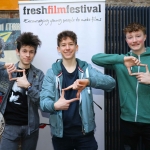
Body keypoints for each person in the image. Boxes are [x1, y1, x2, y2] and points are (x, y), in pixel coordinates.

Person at [40, 30, 116, 150]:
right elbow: (43, 102)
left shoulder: (86, 69)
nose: (67, 48)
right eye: (63, 45)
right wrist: (55, 105)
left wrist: (88, 81)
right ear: (58, 49)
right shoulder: (52, 73)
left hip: (85, 134)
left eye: (71, 44)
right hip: (61, 135)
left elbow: (111, 83)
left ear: (76, 47)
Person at [92, 22, 150, 150]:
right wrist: (123, 59)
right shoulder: (121, 61)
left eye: (138, 36)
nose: (134, 40)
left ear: (145, 37)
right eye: (130, 37)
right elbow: (95, 58)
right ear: (126, 40)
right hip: (128, 120)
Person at [0, 32, 44, 150]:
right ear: (17, 51)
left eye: (31, 52)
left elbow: (42, 102)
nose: (28, 55)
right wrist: (4, 65)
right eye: (24, 51)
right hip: (9, 126)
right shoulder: (7, 71)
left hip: (31, 127)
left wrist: (28, 86)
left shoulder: (38, 75)